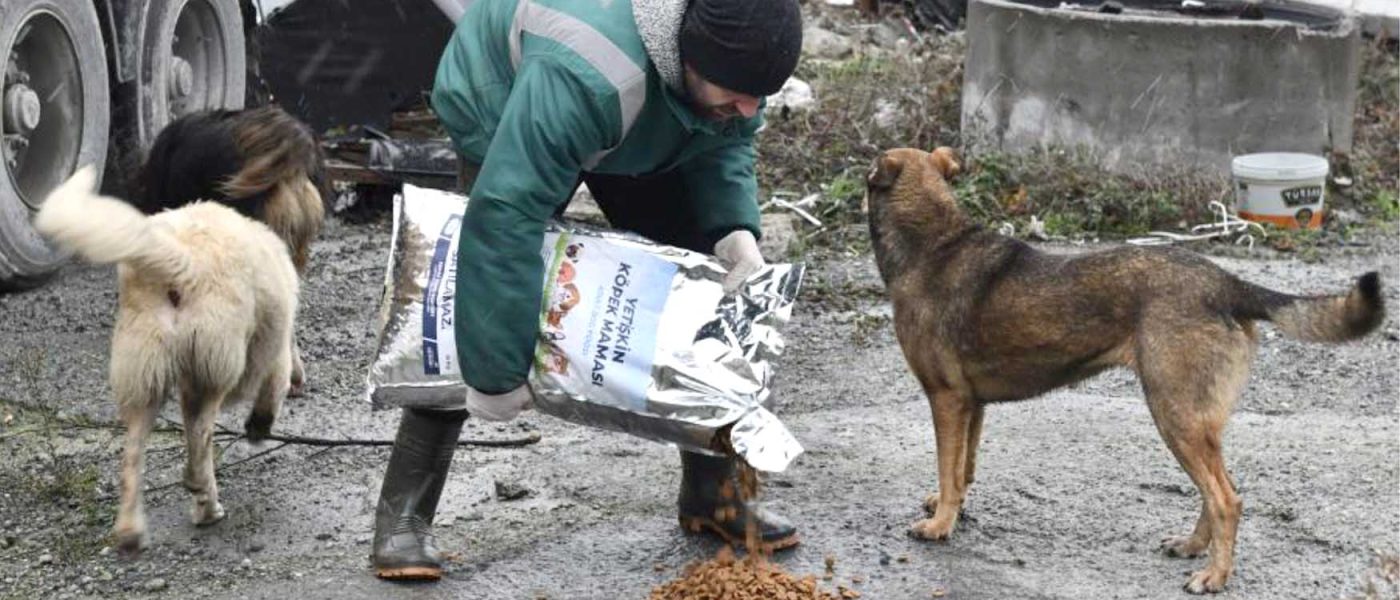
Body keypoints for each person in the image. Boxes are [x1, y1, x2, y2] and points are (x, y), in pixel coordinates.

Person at [371, 0, 804, 581]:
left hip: (632, 112)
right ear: (688, 58)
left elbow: (727, 136)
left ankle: (715, 497)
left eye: (760, 93)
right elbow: (505, 216)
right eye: (738, 91)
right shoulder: (590, 74)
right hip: (504, 95)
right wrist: (495, 375)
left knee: (703, 282)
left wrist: (732, 228)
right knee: (466, 298)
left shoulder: (736, 52)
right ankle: (404, 517)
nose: (751, 107)